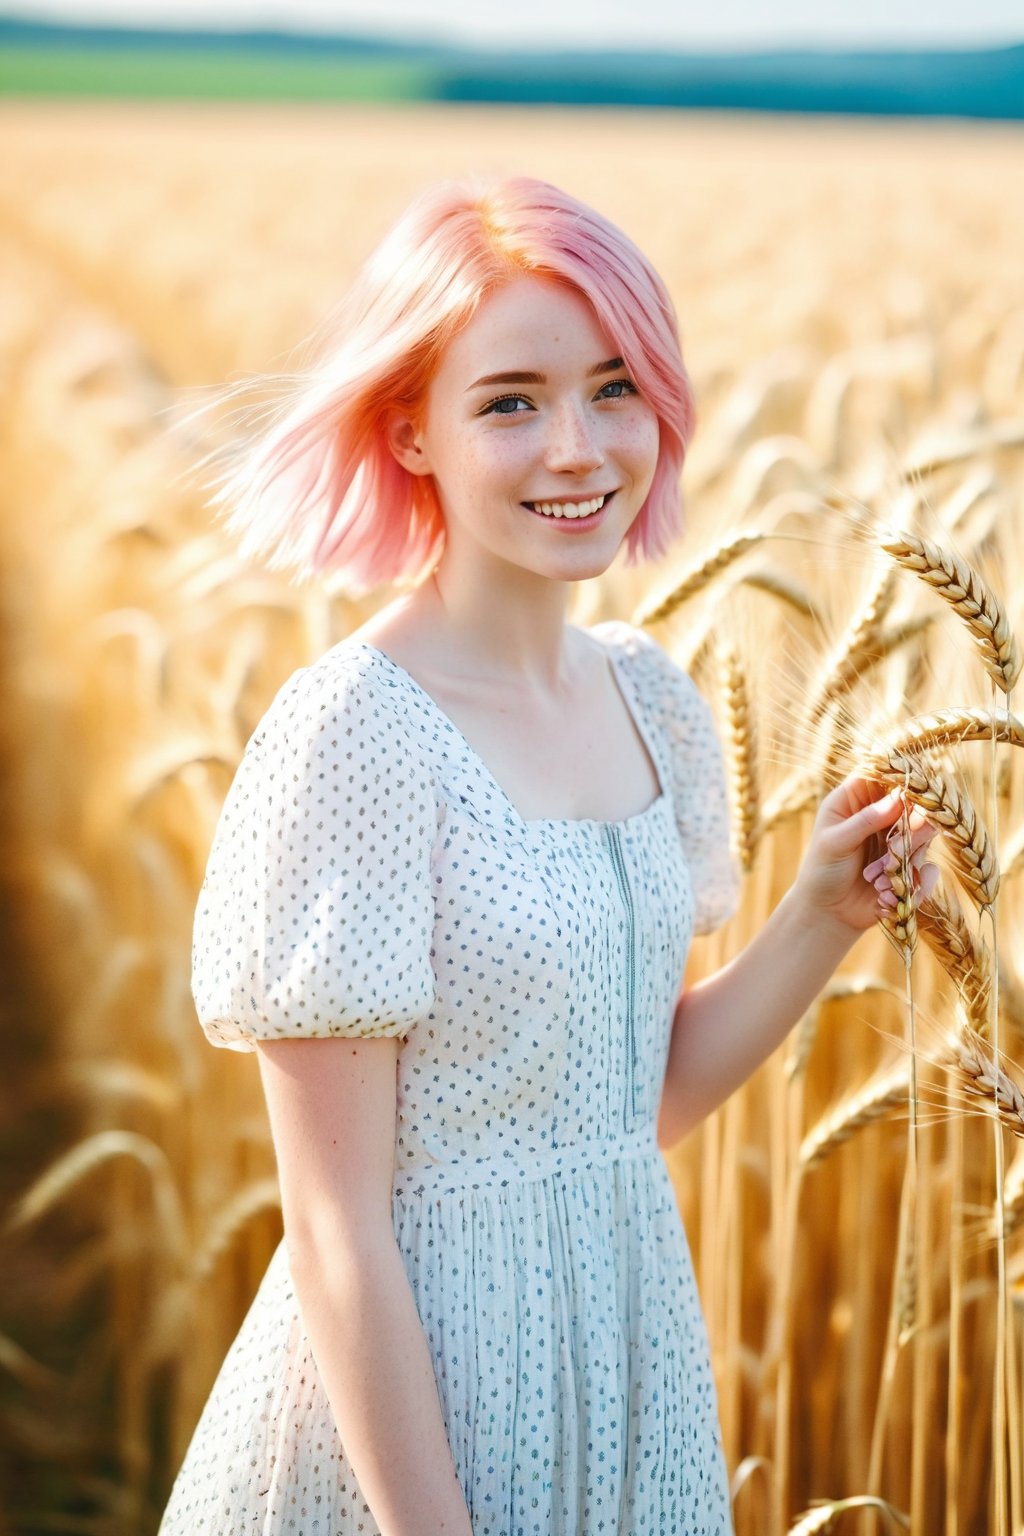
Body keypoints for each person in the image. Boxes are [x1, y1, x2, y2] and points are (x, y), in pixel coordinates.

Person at [159, 176, 937, 1535]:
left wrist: (819, 915)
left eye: (614, 387)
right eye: (510, 400)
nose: (577, 447)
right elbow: (335, 1226)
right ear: (411, 430)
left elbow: (623, 1111)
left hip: (622, 1356)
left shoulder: (651, 701)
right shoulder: (355, 736)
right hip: (414, 1426)